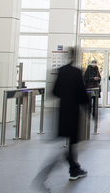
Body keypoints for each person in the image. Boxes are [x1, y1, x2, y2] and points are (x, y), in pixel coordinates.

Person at [32, 47, 88, 192]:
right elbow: (82, 94)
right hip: (74, 112)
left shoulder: (61, 71)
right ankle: (45, 176)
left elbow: (55, 92)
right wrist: (89, 110)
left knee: (69, 144)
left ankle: (75, 168)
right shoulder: (76, 72)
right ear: (75, 57)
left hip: (62, 112)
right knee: (70, 145)